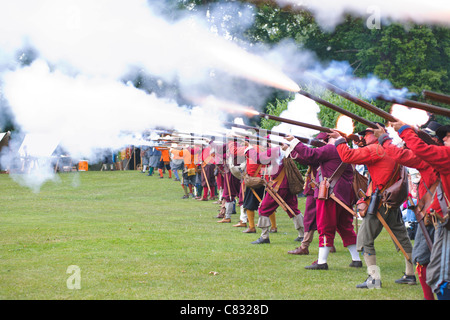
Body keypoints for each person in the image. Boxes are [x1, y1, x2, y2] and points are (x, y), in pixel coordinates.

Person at [330, 125, 414, 288]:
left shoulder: (376, 149)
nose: (364, 137)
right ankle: (410, 274)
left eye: (367, 134)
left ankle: (373, 278)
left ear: (375, 135)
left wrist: (339, 140)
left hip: (380, 202)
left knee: (364, 240)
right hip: (392, 200)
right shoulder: (390, 147)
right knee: (402, 238)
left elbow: (347, 156)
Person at [374, 122, 442, 299]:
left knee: (422, 258)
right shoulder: (440, 155)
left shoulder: (429, 156)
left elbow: (398, 155)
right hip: (439, 213)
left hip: (432, 215)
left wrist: (383, 138)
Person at [389, 120, 450, 300]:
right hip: (437, 215)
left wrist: (388, 137)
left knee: (437, 271)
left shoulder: (440, 157)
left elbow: (406, 153)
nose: (445, 139)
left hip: (437, 215)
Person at [285, 132, 360, 270]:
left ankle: (322, 262)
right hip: (344, 196)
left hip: (329, 196)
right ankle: (356, 259)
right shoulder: (347, 150)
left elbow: (309, 154)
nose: (325, 142)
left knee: (325, 227)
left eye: (328, 139)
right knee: (346, 228)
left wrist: (295, 141)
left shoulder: (331, 149)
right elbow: (310, 157)